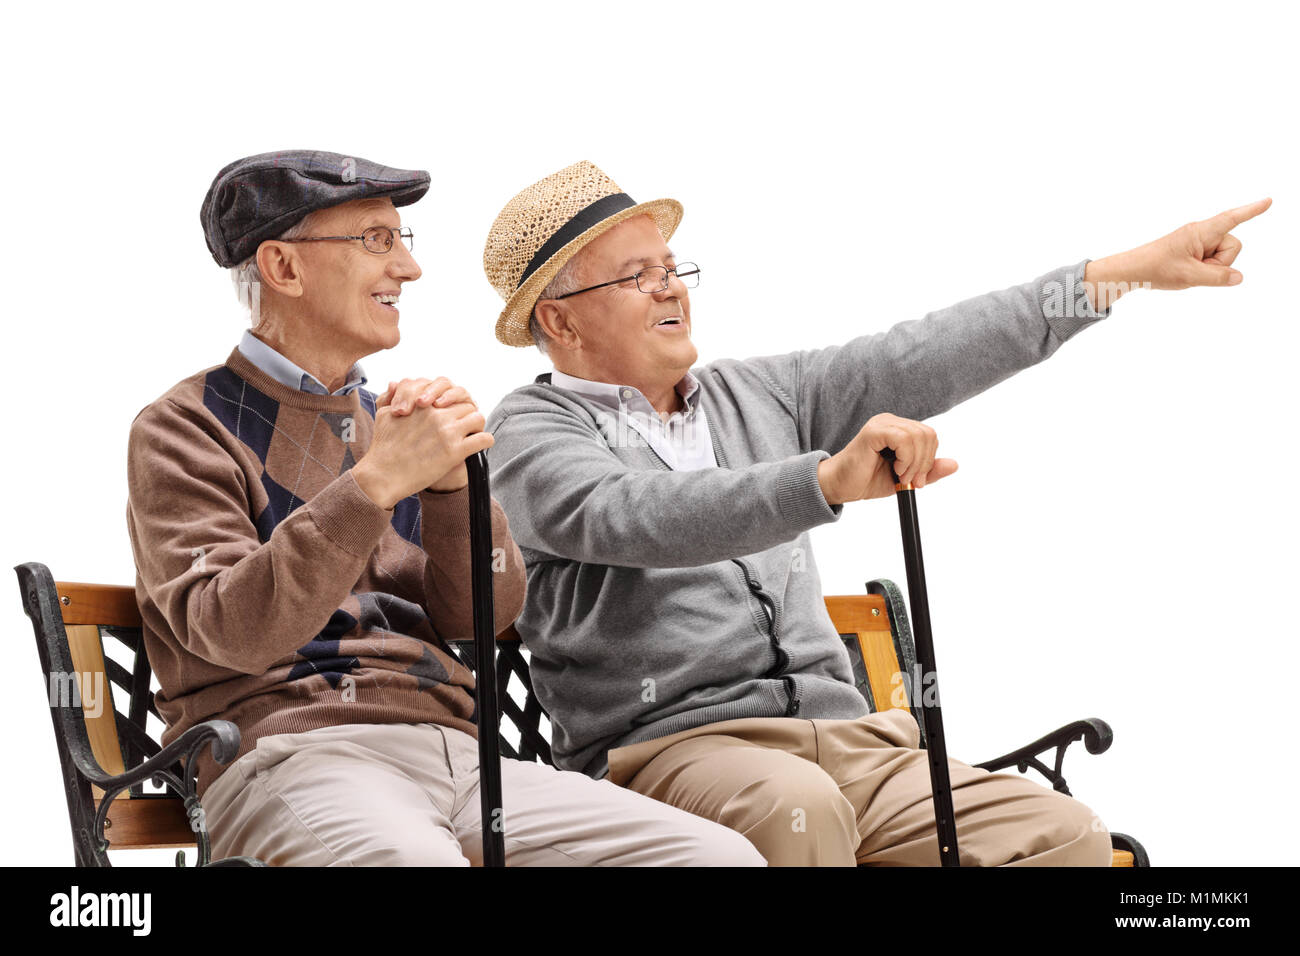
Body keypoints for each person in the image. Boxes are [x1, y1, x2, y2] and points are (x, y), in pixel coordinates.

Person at [475, 159, 1270, 865]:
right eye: (636, 275)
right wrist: (823, 481)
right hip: (671, 753)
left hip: (856, 748)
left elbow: (920, 352)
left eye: (670, 266)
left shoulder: (756, 393)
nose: (671, 285)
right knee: (801, 815)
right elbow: (636, 516)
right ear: (560, 318)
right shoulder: (528, 431)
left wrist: (1123, 273)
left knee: (1063, 835)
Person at [124, 150, 764, 867]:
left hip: (458, 758)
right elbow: (230, 629)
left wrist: (454, 492)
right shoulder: (186, 426)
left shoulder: (395, 424)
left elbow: (484, 619)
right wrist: (373, 485)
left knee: (716, 859)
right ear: (283, 268)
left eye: (403, 240)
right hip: (290, 754)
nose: (408, 267)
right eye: (376, 239)